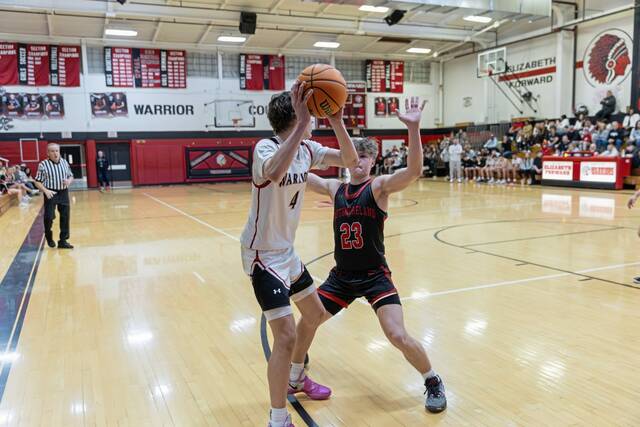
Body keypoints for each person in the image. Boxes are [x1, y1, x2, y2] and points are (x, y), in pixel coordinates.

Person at [299, 97, 447, 414]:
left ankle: (432, 379)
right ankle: (298, 370)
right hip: (341, 277)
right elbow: (301, 176)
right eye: (356, 157)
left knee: (397, 334)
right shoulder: (334, 187)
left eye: (365, 158)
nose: (359, 162)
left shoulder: (379, 187)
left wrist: (414, 127)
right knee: (306, 322)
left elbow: (415, 170)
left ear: (372, 162)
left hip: (374, 276)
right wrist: (290, 146)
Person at [239, 81, 358, 427]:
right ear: (298, 117)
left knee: (315, 314)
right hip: (262, 255)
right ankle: (278, 418)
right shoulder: (265, 148)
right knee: (287, 335)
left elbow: (349, 160)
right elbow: (275, 172)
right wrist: (303, 121)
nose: (315, 119)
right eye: (310, 114)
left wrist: (338, 121)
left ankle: (296, 377)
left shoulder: (307, 149)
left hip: (286, 252)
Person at [33, 143, 75, 249]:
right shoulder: (43, 164)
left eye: (57, 151)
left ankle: (63, 240)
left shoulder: (65, 162)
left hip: (63, 192)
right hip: (50, 192)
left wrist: (68, 181)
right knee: (49, 217)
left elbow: (71, 176)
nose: (55, 153)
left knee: (65, 216)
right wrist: (45, 191)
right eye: (52, 151)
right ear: (48, 153)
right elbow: (37, 181)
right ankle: (48, 236)